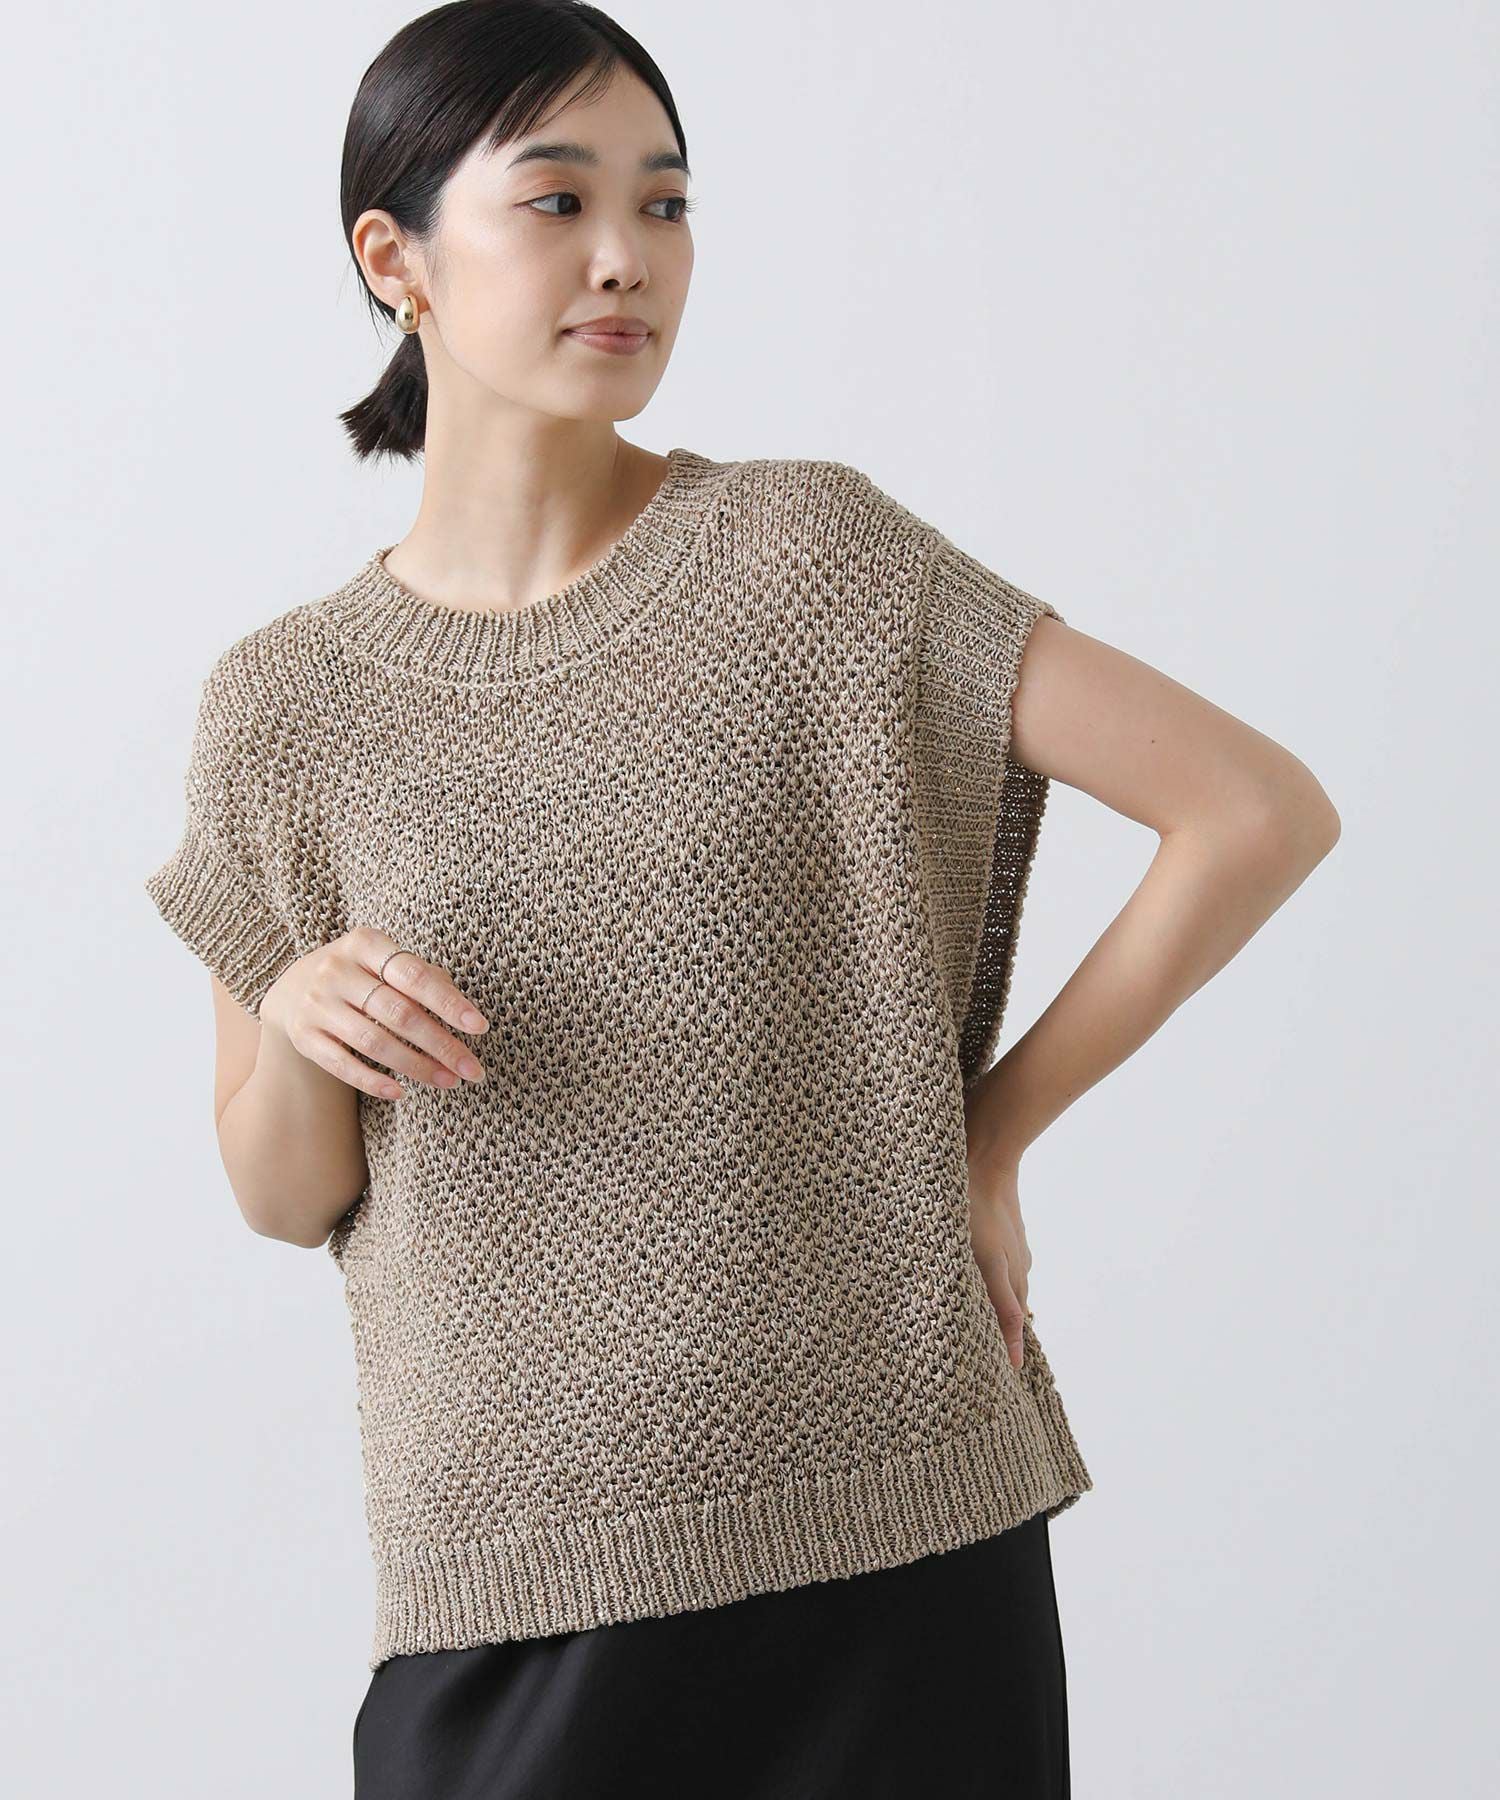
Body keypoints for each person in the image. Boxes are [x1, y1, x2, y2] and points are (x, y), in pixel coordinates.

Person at [141, 3, 1341, 1796]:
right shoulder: (285, 705)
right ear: (395, 259)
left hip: (891, 1537)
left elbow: (1251, 811)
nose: (627, 256)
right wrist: (302, 1016)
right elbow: (282, 1191)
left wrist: (985, 1140)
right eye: (558, 201)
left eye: (667, 202)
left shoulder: (811, 558)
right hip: (513, 1579)